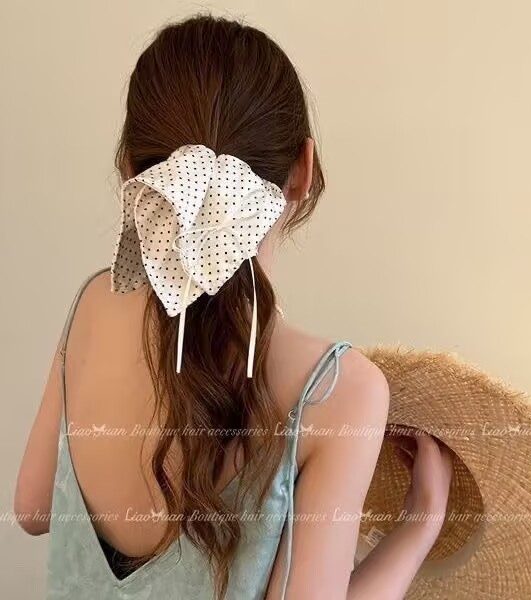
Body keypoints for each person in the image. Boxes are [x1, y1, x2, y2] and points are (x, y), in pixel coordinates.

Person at [14, 13, 452, 600]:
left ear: (133, 172)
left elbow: (33, 507)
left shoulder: (94, 302)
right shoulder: (337, 392)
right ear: (302, 171)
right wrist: (419, 526)